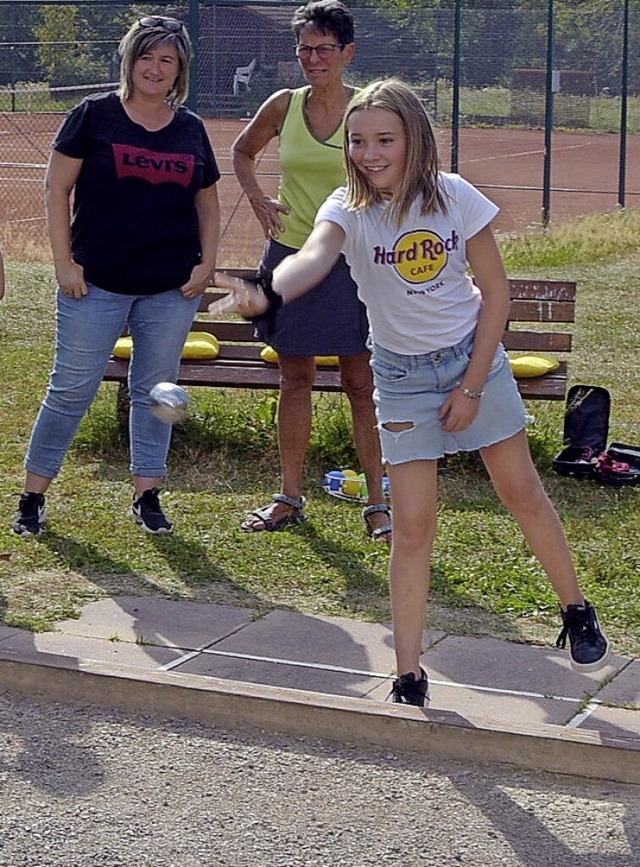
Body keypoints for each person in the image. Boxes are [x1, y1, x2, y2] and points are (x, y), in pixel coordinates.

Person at [214, 77, 611, 706]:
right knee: (412, 528)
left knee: (522, 494)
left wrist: (473, 388)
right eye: (359, 141)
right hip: (399, 377)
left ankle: (576, 610)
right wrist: (270, 289)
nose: (370, 153)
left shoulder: (454, 197)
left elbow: (497, 297)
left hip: (470, 362)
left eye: (385, 140)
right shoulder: (346, 208)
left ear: (413, 140)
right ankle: (408, 674)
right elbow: (312, 257)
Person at [12, 15, 220, 537]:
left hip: (169, 287)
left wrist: (205, 263)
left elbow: (208, 203)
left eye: (166, 60)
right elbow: (56, 188)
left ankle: (148, 495)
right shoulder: (94, 116)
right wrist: (64, 262)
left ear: (179, 71)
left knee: (156, 393)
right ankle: (32, 497)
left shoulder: (190, 128)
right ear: (129, 61)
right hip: (96, 281)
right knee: (71, 389)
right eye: (146, 57)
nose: (155, 68)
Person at [231, 0, 390, 541]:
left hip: (356, 265)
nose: (313, 58)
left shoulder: (371, 109)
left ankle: (376, 503)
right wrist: (257, 199)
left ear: (348, 52)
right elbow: (241, 151)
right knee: (294, 378)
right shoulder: (283, 105)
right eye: (304, 48)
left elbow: (398, 173)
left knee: (361, 384)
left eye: (325, 48)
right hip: (292, 259)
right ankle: (289, 497)